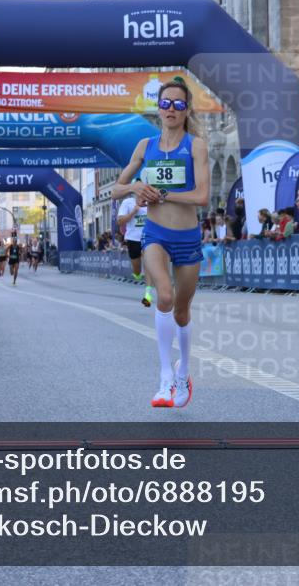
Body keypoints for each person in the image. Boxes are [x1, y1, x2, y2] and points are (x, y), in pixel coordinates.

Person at [111, 78, 209, 409]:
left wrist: (164, 194)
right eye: (166, 103)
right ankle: (166, 376)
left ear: (186, 110)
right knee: (163, 296)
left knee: (182, 311)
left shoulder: (196, 146)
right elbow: (115, 189)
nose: (171, 109)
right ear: (158, 107)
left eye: (178, 105)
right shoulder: (144, 146)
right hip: (155, 234)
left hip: (188, 237)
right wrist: (136, 187)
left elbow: (203, 196)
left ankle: (184, 373)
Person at [116, 182, 153, 307]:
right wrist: (133, 212)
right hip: (133, 239)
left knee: (148, 265)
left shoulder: (150, 202)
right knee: (137, 269)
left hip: (148, 238)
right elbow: (120, 221)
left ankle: (148, 295)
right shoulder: (128, 203)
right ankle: (137, 274)